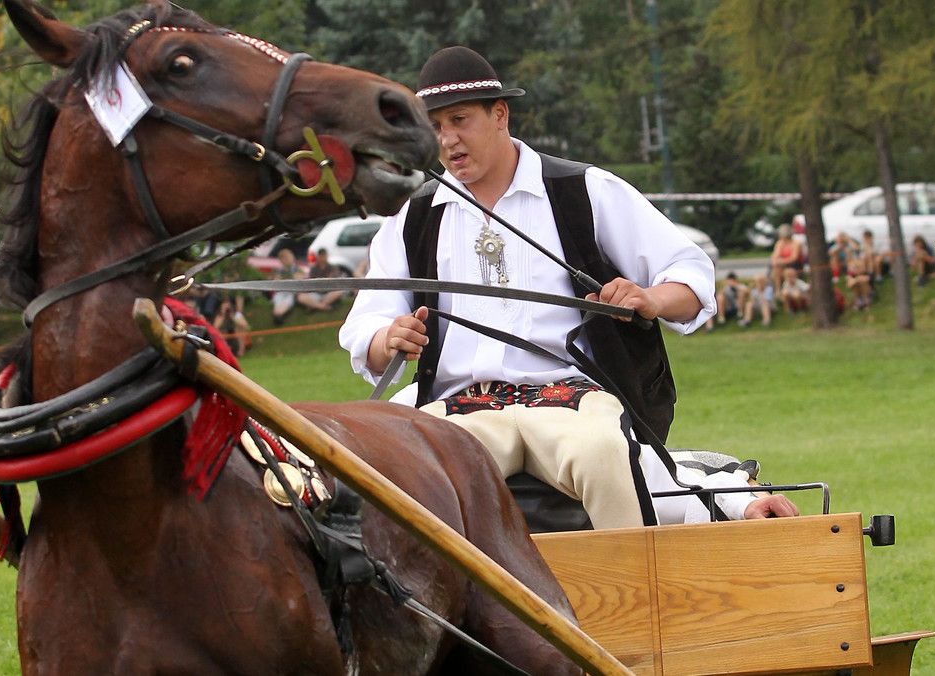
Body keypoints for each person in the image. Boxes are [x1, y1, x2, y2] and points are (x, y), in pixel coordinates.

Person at [339, 46, 796, 529]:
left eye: (460, 119)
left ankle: (629, 593)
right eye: (434, 127)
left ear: (500, 115)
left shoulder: (584, 190)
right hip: (458, 407)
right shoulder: (414, 216)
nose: (448, 139)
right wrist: (386, 338)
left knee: (605, 454)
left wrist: (650, 299)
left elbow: (690, 275)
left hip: (571, 400)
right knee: (380, 478)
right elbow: (365, 323)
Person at [270, 249, 306, 325]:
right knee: (278, 300)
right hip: (281, 292)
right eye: (284, 258)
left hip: (291, 292)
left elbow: (299, 279)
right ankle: (277, 314)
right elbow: (277, 283)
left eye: (288, 257)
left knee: (288, 301)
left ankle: (279, 314)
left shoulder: (296, 269)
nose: (287, 260)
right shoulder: (279, 271)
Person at [768, 224, 804, 295]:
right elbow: (775, 255)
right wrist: (775, 261)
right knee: (777, 268)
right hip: (781, 266)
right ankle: (778, 291)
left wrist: (781, 262)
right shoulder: (780, 243)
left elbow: (794, 258)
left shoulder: (796, 244)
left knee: (777, 268)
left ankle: (778, 291)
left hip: (794, 265)